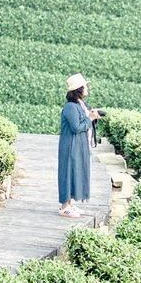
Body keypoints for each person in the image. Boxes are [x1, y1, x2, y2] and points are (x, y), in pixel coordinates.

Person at [58, 73, 101, 217]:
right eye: (85, 86)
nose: (87, 88)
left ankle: (70, 204)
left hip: (79, 144)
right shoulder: (70, 107)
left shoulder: (81, 105)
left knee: (76, 171)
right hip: (71, 145)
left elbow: (85, 122)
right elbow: (76, 127)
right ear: (78, 89)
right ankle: (64, 207)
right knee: (68, 172)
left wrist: (92, 117)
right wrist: (90, 118)